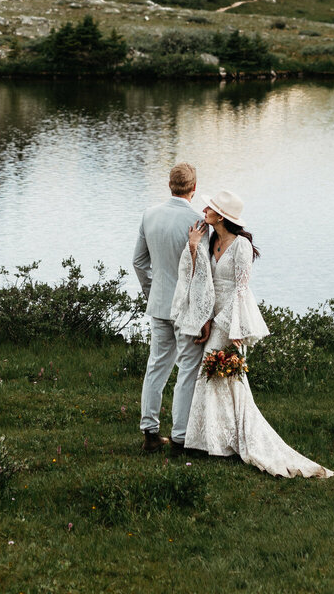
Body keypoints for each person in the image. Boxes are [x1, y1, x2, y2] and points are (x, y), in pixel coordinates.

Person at [170, 189, 334, 478]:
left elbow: (241, 289)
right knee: (221, 378)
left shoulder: (242, 247)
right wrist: (192, 247)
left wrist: (234, 328)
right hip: (213, 315)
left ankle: (219, 441)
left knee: (215, 372)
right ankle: (217, 440)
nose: (205, 212)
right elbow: (201, 279)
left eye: (210, 209)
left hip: (232, 318)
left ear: (222, 216)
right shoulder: (210, 239)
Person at [132, 162, 207, 454]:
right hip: (186, 308)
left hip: (160, 305)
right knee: (188, 368)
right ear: (194, 187)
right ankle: (180, 436)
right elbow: (203, 273)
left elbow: (139, 262)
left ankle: (150, 433)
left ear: (169, 185)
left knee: (156, 366)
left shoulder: (149, 215)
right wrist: (204, 314)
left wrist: (154, 293)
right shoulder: (199, 222)